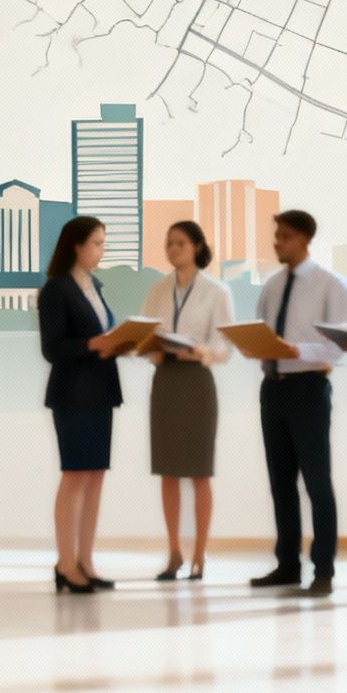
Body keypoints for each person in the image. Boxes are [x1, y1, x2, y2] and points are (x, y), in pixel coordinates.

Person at [249, 209, 347, 598]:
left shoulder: (333, 286)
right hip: (273, 389)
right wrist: (255, 345)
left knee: (316, 482)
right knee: (281, 483)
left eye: (285, 237)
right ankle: (287, 565)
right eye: (276, 236)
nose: (278, 243)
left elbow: (342, 349)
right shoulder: (273, 285)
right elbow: (262, 329)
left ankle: (323, 569)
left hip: (309, 388)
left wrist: (297, 349)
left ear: (305, 239)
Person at [140, 220, 234, 582]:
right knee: (167, 471)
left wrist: (201, 351)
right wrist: (151, 351)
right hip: (165, 380)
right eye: (169, 242)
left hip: (197, 382)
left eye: (179, 242)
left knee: (199, 471)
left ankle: (200, 554)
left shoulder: (216, 291)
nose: (173, 248)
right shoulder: (157, 290)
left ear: (196, 246)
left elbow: (225, 347)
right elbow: (144, 333)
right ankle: (174, 552)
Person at [39, 216, 128, 594]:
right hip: (72, 394)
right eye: (96, 242)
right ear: (76, 245)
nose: (101, 250)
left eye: (103, 243)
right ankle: (65, 563)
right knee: (75, 475)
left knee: (95, 477)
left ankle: (85, 561)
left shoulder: (94, 286)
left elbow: (101, 333)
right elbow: (52, 349)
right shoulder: (56, 290)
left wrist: (119, 342)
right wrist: (94, 344)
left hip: (101, 391)